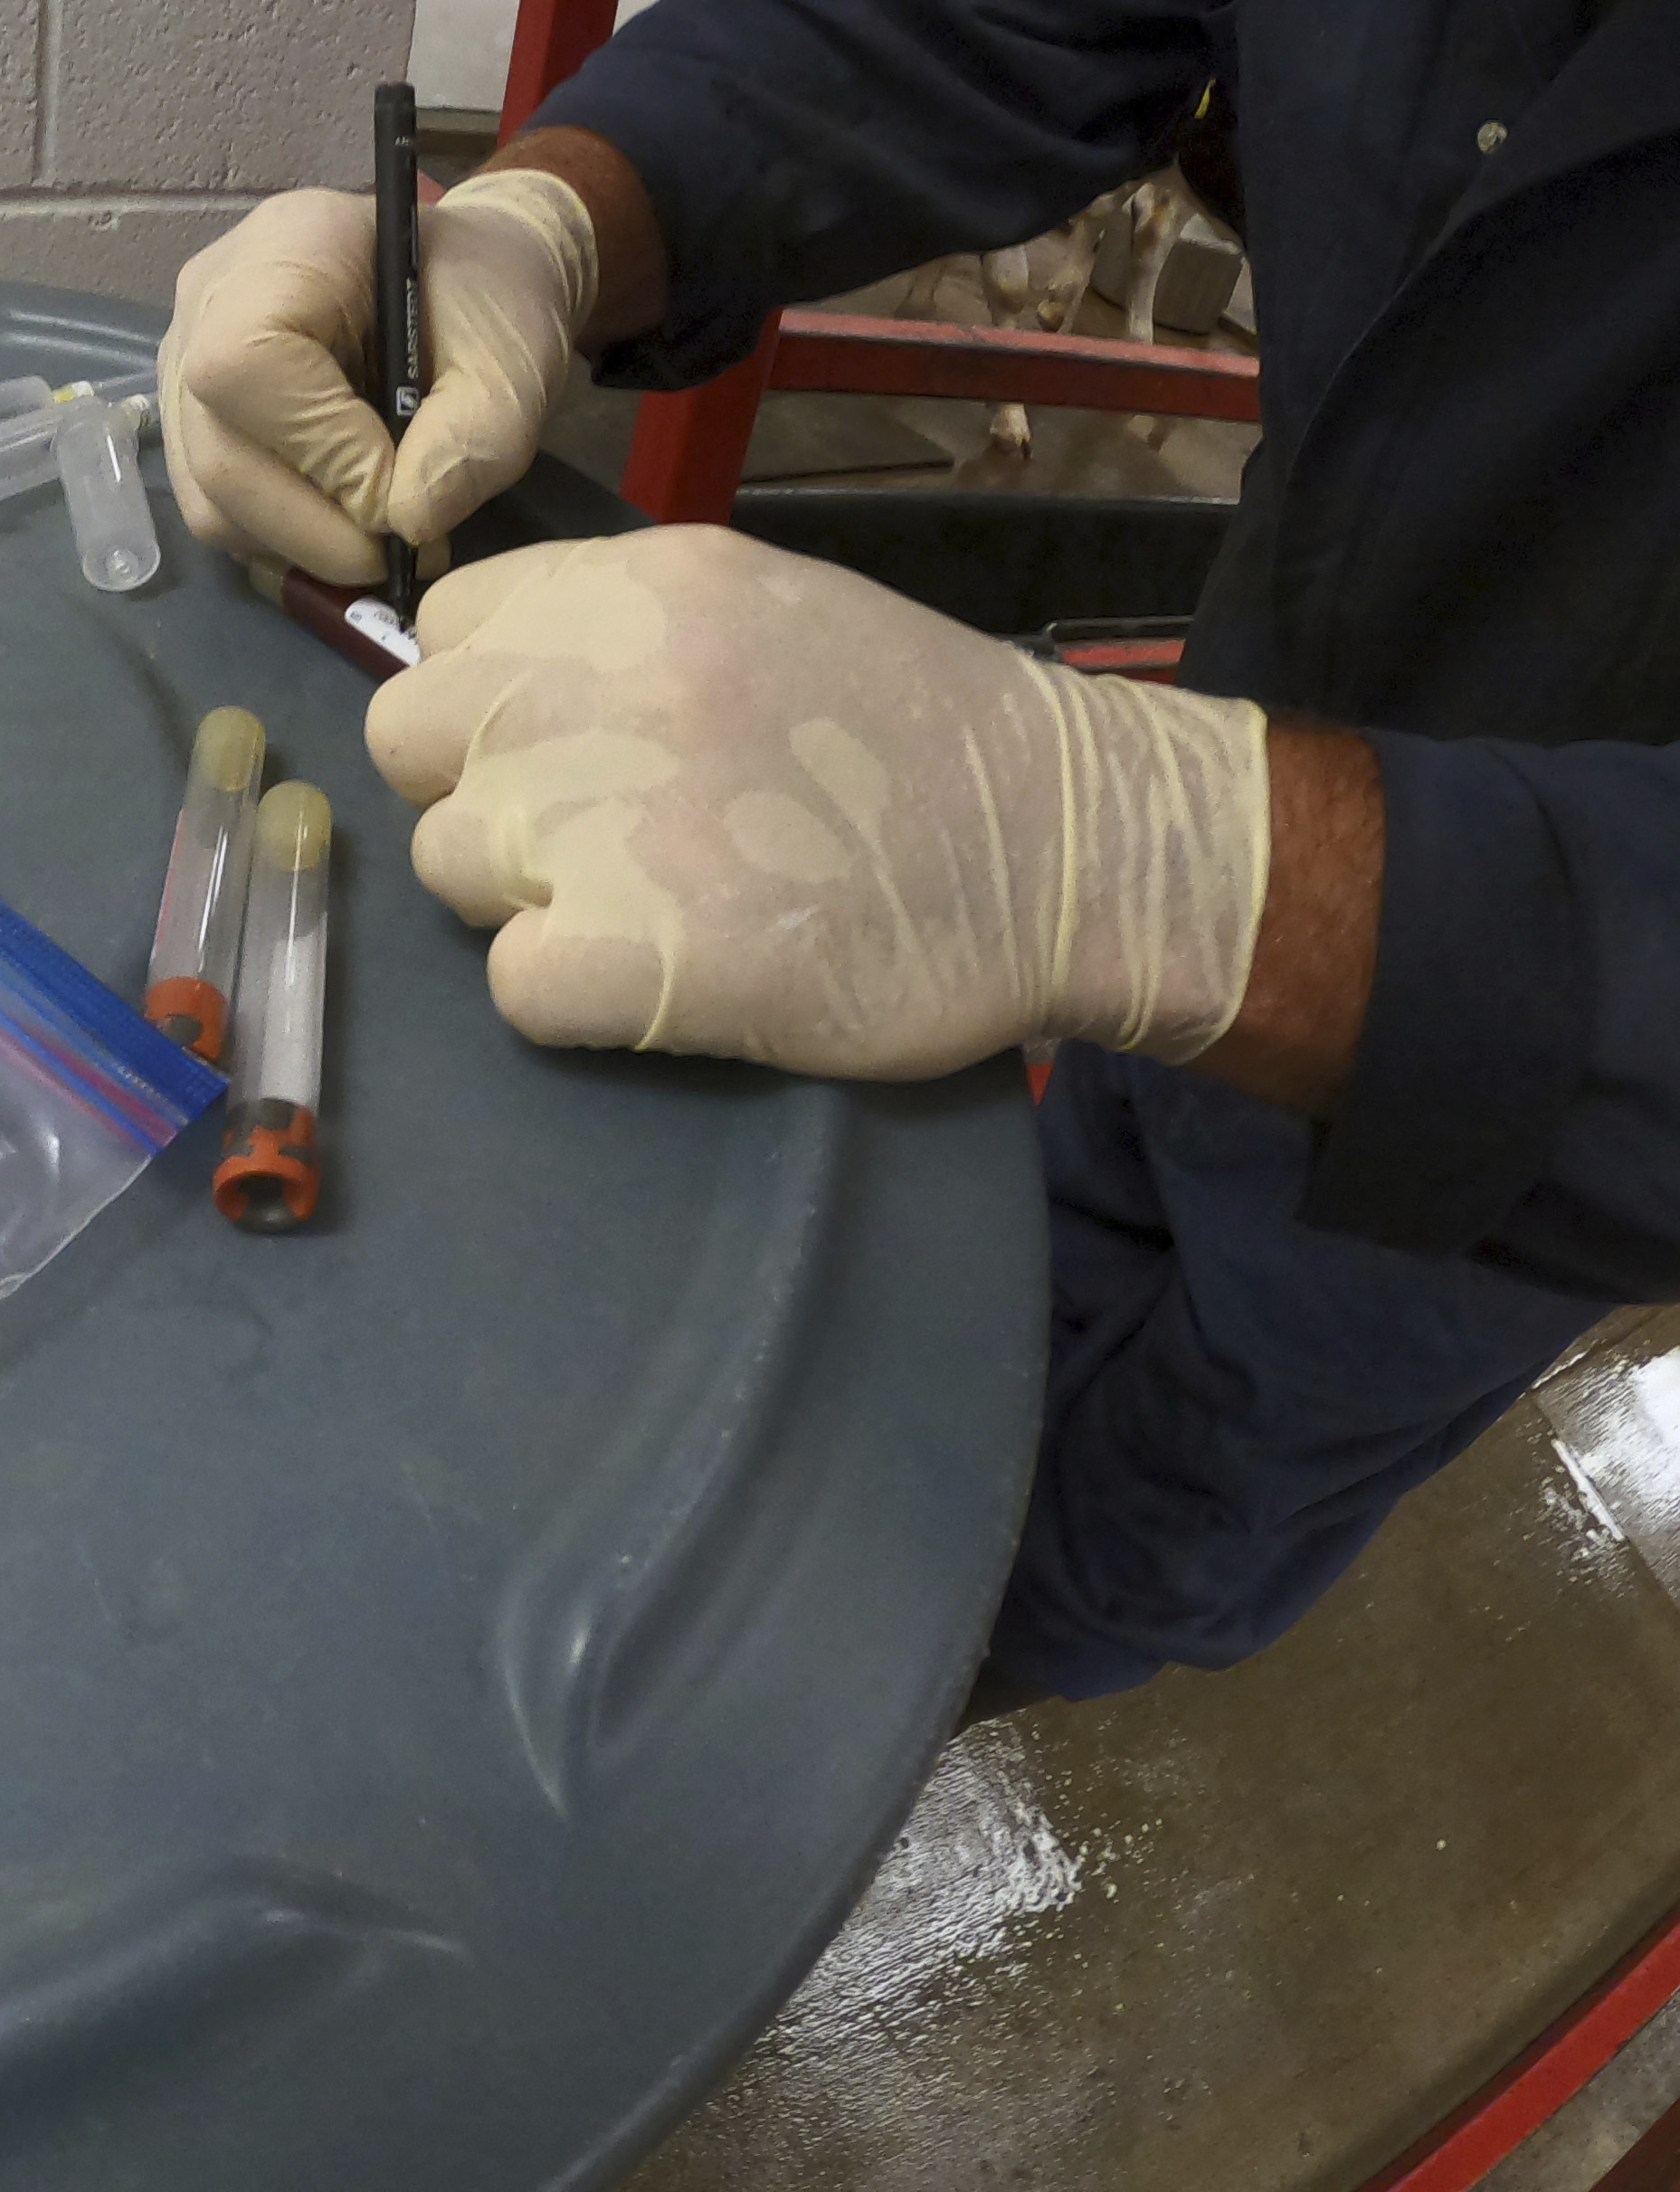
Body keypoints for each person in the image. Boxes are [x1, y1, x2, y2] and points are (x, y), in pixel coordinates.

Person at [157, 0, 1680, 1710]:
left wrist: (1181, 861)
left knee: (1150, 1507)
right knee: (1000, 1275)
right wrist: (562, 213)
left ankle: (796, 1750)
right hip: (1252, 709)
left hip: (1540, 1086)